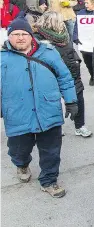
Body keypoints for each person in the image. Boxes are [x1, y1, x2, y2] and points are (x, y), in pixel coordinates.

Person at [1, 18, 77, 198]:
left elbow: (65, 77)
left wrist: (71, 100)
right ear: (9, 36)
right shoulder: (2, 57)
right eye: (15, 34)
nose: (20, 38)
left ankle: (49, 180)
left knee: (51, 150)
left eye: (24, 34)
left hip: (48, 110)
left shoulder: (49, 53)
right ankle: (21, 164)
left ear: (31, 35)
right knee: (19, 149)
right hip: (17, 113)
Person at [34, 11, 92, 138]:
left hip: (71, 70)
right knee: (53, 101)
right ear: (51, 22)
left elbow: (70, 50)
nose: (62, 23)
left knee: (78, 98)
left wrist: (76, 62)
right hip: (50, 73)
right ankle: (56, 127)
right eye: (59, 21)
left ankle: (80, 126)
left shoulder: (64, 34)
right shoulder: (38, 37)